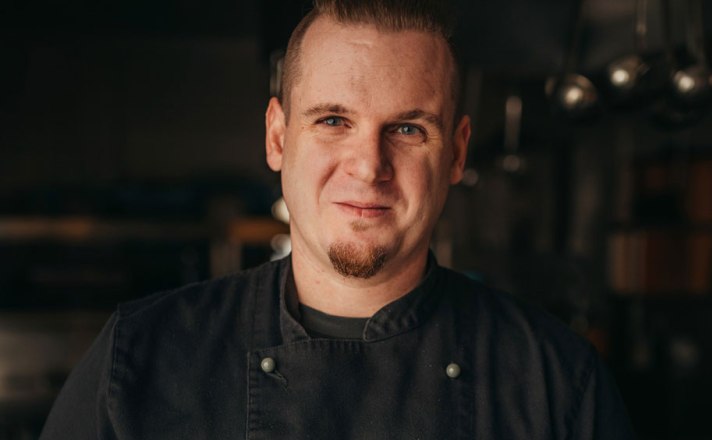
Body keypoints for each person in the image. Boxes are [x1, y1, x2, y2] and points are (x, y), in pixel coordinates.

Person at [41, 0, 635, 438]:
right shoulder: (140, 359)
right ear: (278, 137)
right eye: (332, 121)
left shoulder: (558, 383)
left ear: (455, 152)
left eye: (407, 128)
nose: (369, 166)